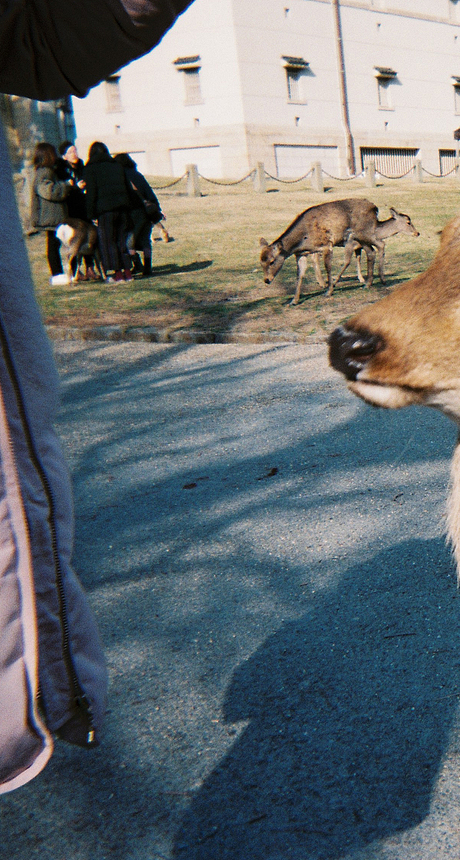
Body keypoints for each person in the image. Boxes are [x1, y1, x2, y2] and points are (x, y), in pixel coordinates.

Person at [1, 0, 195, 794]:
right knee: (113, 246)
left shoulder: (76, 171)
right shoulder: (95, 170)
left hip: (91, 221)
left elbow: (42, 35)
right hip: (106, 219)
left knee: (103, 248)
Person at [81, 141, 134, 283]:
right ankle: (128, 272)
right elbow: (127, 187)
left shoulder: (90, 169)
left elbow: (91, 193)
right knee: (122, 240)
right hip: (122, 208)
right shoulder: (117, 166)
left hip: (105, 211)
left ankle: (116, 274)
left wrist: (91, 214)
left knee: (108, 242)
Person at [25, 142, 75, 285]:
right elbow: (48, 191)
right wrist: (66, 186)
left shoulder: (44, 171)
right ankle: (57, 275)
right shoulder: (44, 172)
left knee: (55, 244)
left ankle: (60, 273)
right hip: (50, 216)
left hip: (51, 215)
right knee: (53, 245)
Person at [115, 152, 161, 276]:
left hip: (131, 212)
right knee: (146, 240)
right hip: (145, 212)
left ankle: (137, 264)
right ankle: (148, 267)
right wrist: (156, 208)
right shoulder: (137, 174)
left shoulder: (119, 176)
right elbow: (149, 192)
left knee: (130, 240)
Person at [57, 141, 88, 221]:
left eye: (75, 151)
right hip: (71, 209)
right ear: (64, 156)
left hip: (84, 207)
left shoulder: (82, 168)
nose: (74, 154)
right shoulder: (62, 171)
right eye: (70, 152)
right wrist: (76, 187)